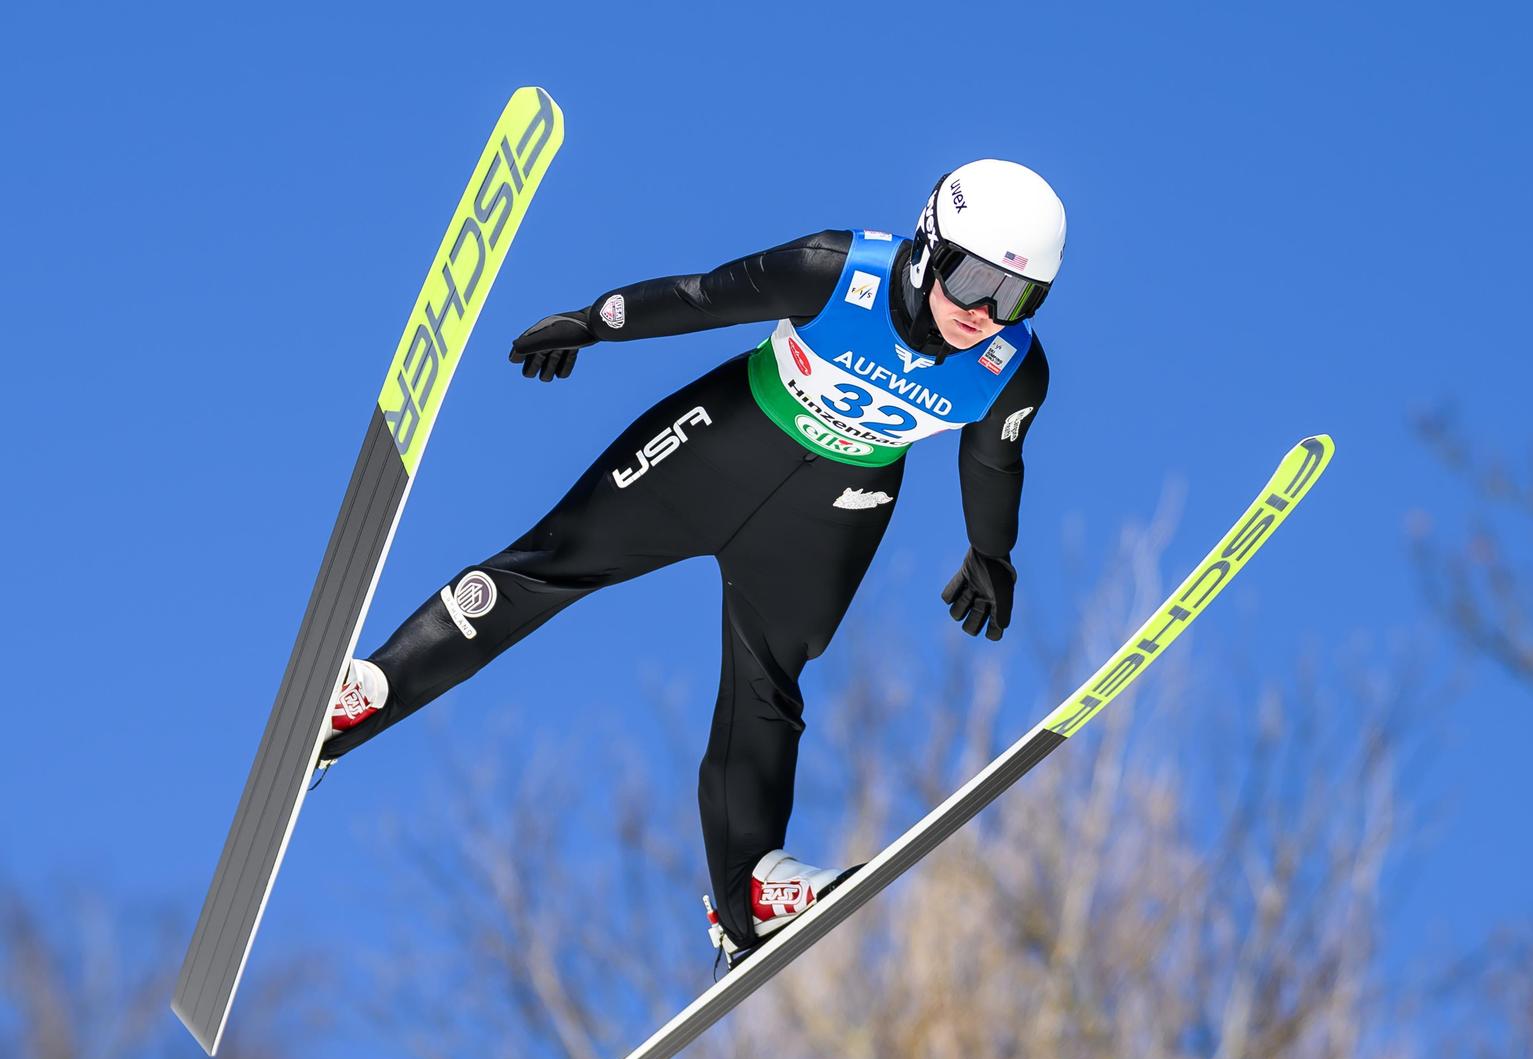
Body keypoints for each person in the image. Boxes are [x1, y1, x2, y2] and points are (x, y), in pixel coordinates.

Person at [323, 159, 1064, 966]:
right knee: (552, 563)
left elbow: (994, 463)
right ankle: (372, 691)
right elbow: (702, 297)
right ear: (927, 248)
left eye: (1015, 297)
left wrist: (993, 553)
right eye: (972, 278)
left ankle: (751, 895)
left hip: (835, 511)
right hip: (722, 444)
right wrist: (593, 321)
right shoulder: (834, 270)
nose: (985, 312)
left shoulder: (1011, 366)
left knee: (767, 681)